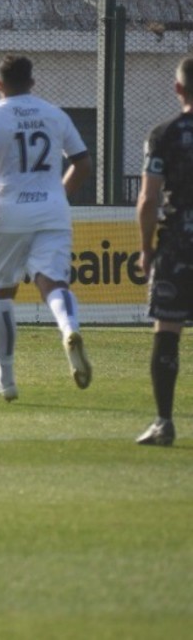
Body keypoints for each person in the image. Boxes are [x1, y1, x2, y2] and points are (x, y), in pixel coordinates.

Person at [0, 55, 93, 403]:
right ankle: (69, 329)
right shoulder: (55, 114)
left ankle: (6, 379)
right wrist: (57, 196)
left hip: (6, 213)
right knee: (53, 282)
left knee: (1, 292)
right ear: (32, 83)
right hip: (52, 212)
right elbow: (83, 163)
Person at [133, 55, 193, 447]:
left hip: (178, 244)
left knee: (167, 331)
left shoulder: (164, 134)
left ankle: (164, 422)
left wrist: (146, 249)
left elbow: (148, 198)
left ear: (178, 88)